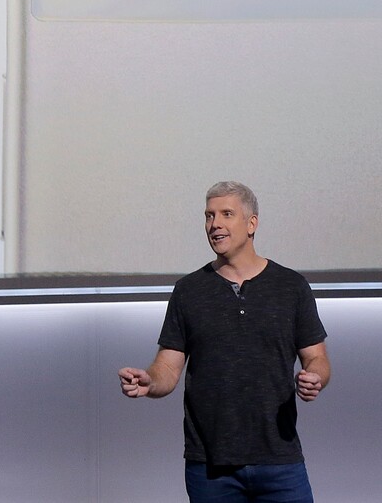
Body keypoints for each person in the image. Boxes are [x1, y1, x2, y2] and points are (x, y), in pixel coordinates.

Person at [119, 181, 330, 503]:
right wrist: (150, 382)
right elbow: (168, 367)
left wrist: (315, 377)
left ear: (252, 223)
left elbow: (317, 357)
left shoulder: (291, 286)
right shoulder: (189, 290)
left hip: (279, 460)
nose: (214, 224)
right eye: (209, 216)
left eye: (226, 214)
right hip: (209, 467)